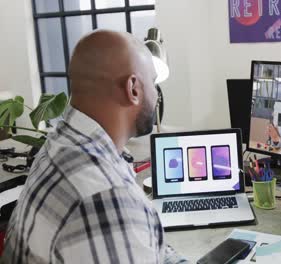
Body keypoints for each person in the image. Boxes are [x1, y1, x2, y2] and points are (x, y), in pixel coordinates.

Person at [3, 30, 188, 263]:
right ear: (133, 89)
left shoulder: (57, 146)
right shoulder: (106, 198)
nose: (157, 95)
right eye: (152, 82)